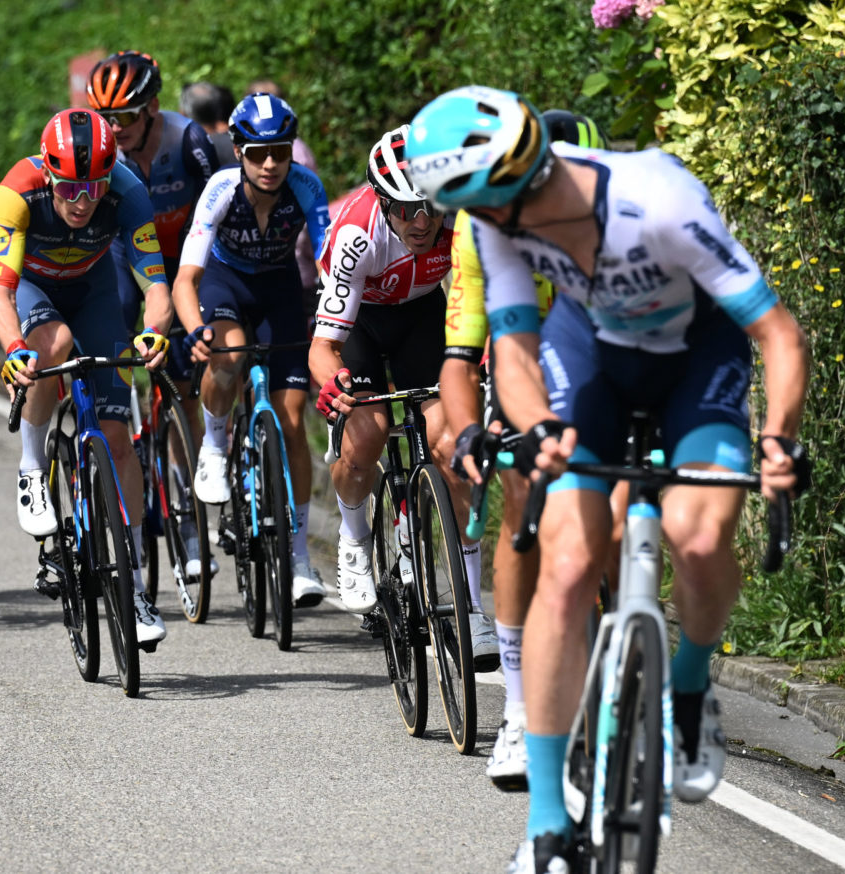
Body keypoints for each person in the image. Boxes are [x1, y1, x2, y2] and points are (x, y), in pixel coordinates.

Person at [404, 85, 811, 874]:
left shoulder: (659, 199)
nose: (475, 224)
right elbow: (514, 350)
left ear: (519, 184)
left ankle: (687, 690)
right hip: (591, 352)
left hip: (696, 357)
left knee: (700, 538)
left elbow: (778, 333)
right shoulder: (494, 223)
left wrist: (778, 441)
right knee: (564, 565)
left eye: (481, 208)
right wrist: (540, 428)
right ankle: (547, 827)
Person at [439, 109, 605, 791]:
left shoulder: (617, 214)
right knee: (520, 506)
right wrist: (467, 431)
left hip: (600, 339)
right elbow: (462, 356)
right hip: (520, 346)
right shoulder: (481, 225)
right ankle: (518, 707)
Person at [0, 108, 174, 648]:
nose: (82, 202)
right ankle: (31, 466)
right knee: (54, 345)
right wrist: (15, 348)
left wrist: (154, 332)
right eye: (69, 188)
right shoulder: (17, 191)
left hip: (92, 290)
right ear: (48, 173)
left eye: (94, 188)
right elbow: (0, 291)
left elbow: (155, 285)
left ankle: (134, 588)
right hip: (29, 288)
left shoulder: (128, 191)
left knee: (118, 440)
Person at [309, 124, 492, 673]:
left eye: (430, 207)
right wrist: (335, 386)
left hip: (421, 315)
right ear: (383, 203)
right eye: (407, 210)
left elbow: (489, 299)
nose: (421, 223)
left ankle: (472, 608)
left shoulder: (461, 220)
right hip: (361, 321)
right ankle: (354, 538)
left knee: (453, 449)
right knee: (366, 435)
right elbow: (324, 348)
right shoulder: (357, 235)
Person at [176, 92, 330, 601]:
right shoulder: (221, 189)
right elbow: (186, 278)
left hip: (279, 289)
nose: (270, 164)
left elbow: (330, 263)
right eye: (258, 153)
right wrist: (196, 329)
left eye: (280, 152)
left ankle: (299, 557)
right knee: (231, 354)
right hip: (225, 283)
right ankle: (214, 443)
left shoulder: (306, 187)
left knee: (292, 422)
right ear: (239, 151)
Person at [86, 50, 218, 435]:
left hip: (181, 251)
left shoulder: (188, 139)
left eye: (126, 116)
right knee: (119, 317)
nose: (115, 128)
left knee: (183, 381)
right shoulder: (102, 150)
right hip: (126, 250)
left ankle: (179, 448)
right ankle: (117, 410)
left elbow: (214, 207)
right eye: (106, 118)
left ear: (152, 108)